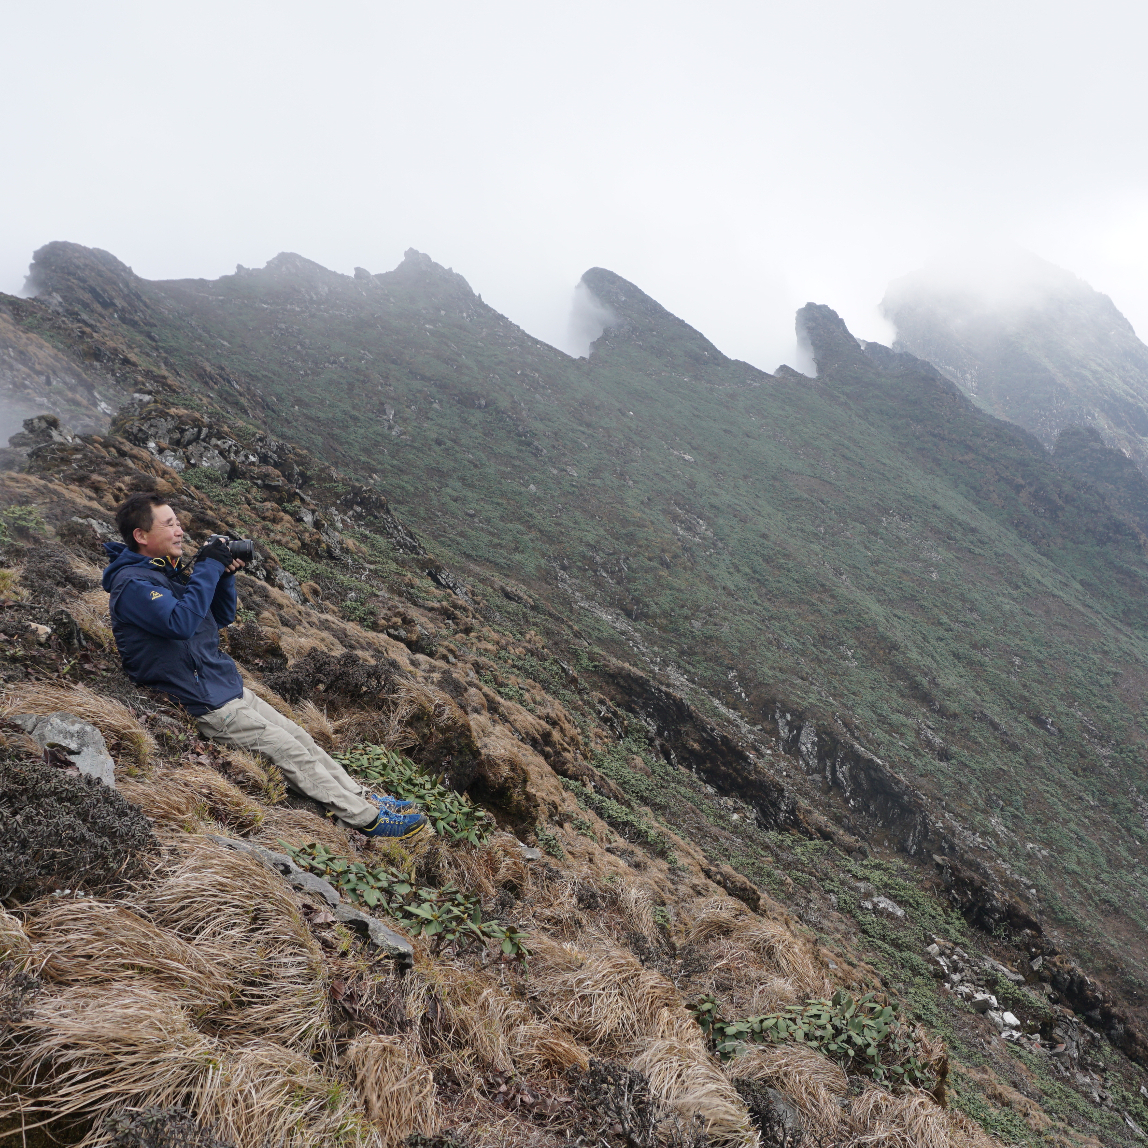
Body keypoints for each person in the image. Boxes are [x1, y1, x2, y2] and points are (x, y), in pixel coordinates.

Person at [102, 491, 426, 839]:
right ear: (141, 535)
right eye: (169, 525)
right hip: (201, 701)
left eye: (178, 523)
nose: (179, 531)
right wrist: (208, 566)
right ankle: (366, 819)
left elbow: (220, 616)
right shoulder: (134, 584)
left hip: (224, 687)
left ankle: (364, 797)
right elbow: (179, 624)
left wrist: (223, 576)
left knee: (302, 740)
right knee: (287, 752)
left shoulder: (166, 573)